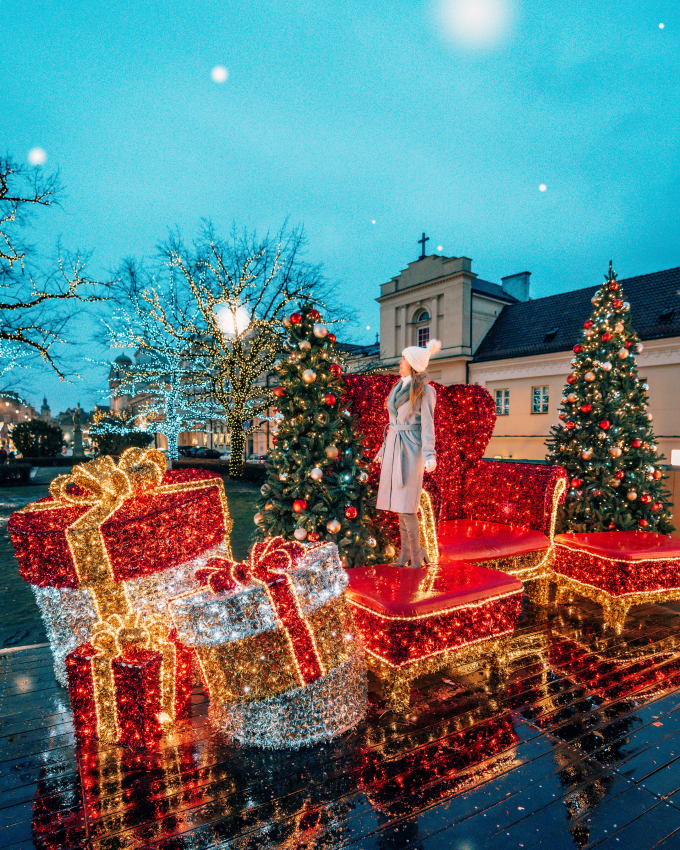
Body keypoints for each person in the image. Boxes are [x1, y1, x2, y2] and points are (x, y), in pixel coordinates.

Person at [375, 338, 440, 568]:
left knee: (407, 506)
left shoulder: (425, 390)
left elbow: (428, 425)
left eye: (403, 359)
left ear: (412, 363)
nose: (399, 362)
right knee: (398, 506)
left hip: (411, 450)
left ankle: (416, 554)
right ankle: (406, 555)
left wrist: (429, 453)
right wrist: (384, 449)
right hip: (394, 447)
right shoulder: (398, 386)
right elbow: (393, 422)